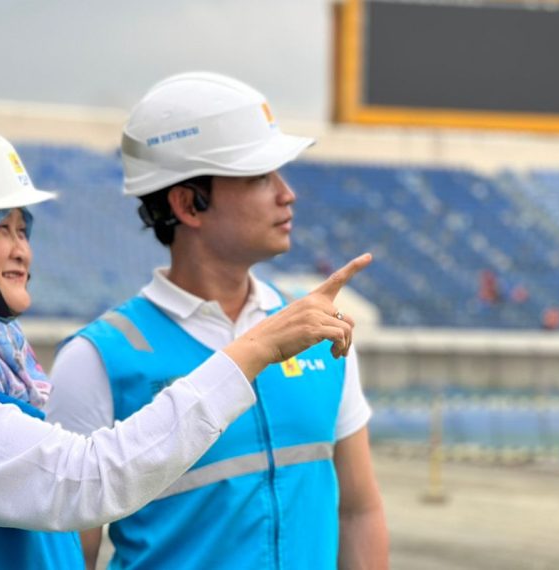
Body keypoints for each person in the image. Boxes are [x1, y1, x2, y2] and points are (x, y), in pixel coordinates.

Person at [0, 115, 370, 569]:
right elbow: (86, 480)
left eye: (25, 229)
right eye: (1, 228)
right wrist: (253, 351)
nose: (22, 249)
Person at [47, 72, 390, 569]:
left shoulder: (319, 330)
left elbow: (359, 510)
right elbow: (69, 556)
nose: (287, 194)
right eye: (260, 176)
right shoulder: (96, 359)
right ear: (188, 204)